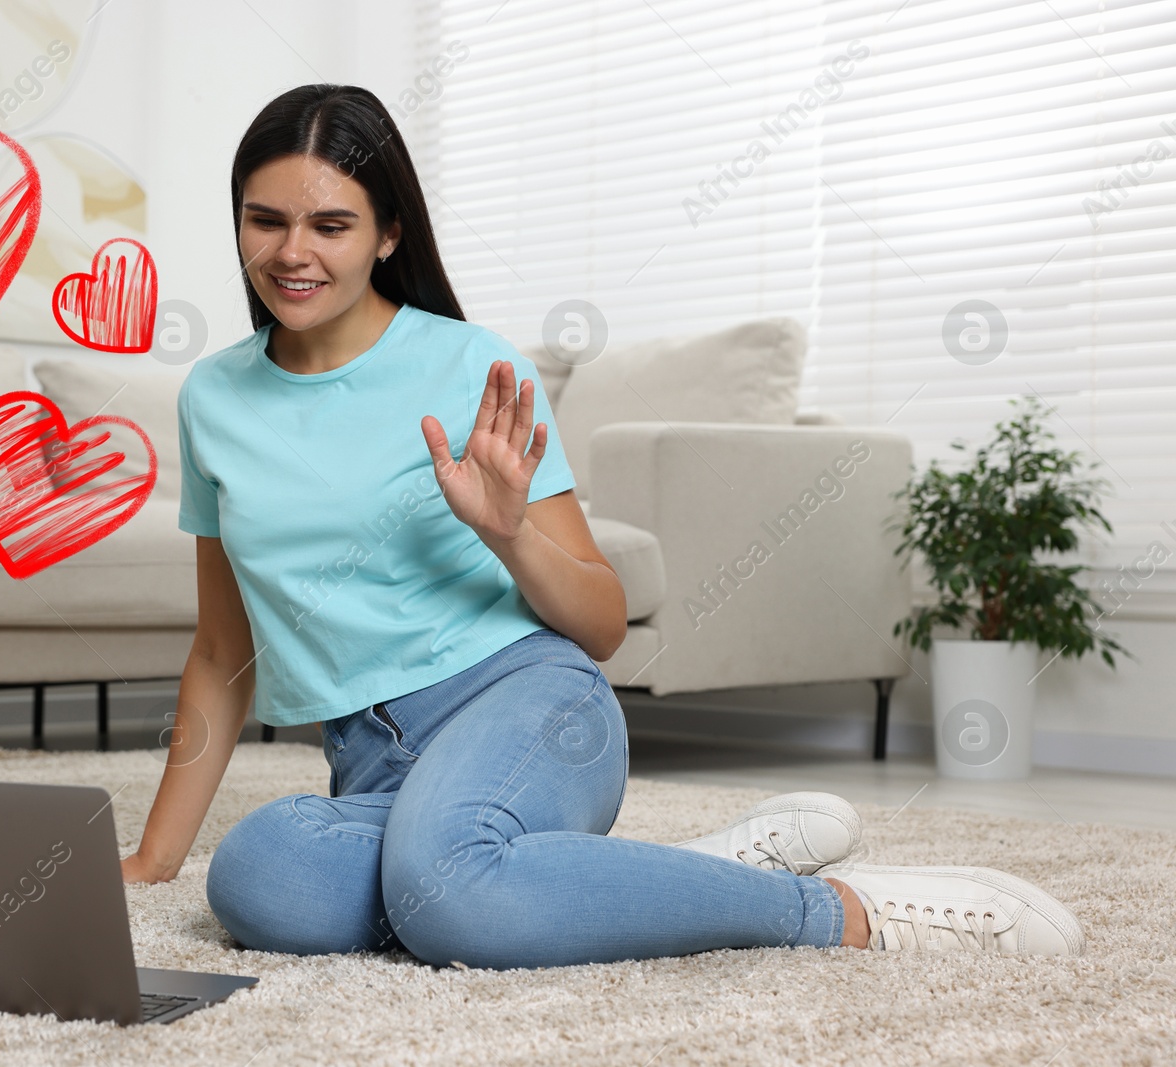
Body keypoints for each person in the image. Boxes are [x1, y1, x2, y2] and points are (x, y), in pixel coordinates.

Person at [119, 84, 1084, 966]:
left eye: (331, 223)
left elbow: (604, 622)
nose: (294, 252)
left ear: (386, 233)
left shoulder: (471, 366)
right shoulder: (216, 398)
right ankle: (616, 874)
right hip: (368, 762)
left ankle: (839, 911)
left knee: (445, 891)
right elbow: (220, 645)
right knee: (260, 876)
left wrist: (507, 533)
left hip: (529, 706)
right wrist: (153, 858)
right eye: (267, 220)